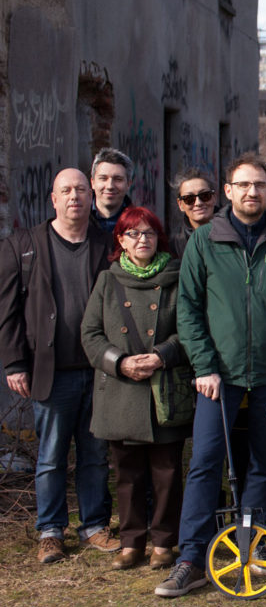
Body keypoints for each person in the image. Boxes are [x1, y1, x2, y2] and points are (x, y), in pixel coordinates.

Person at [155, 154, 266, 597]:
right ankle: (191, 558)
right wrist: (204, 365)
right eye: (243, 185)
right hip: (219, 375)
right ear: (228, 191)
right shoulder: (204, 240)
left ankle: (250, 544)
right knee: (205, 463)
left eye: (260, 185)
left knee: (263, 464)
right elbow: (188, 309)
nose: (252, 192)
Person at [0, 168, 119, 564]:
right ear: (53, 199)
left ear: (90, 196)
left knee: (95, 454)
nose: (74, 197)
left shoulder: (106, 244)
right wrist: (14, 362)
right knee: (51, 457)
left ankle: (94, 525)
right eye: (66, 190)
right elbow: (7, 311)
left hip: (99, 371)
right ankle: (50, 531)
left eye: (81, 189)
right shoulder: (24, 246)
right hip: (51, 373)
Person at [81, 207, 190, 571]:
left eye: (149, 233)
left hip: (164, 389)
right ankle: (131, 541)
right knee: (127, 473)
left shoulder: (176, 277)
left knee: (167, 472)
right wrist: (121, 362)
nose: (142, 239)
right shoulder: (107, 281)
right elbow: (90, 333)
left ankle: (164, 541)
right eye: (134, 233)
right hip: (121, 389)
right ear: (121, 241)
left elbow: (190, 329)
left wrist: (161, 356)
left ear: (159, 238)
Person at [170, 168, 217, 257]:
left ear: (214, 198)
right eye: (189, 199)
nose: (198, 203)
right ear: (180, 204)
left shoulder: (233, 232)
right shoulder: (176, 245)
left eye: (205, 196)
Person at [90, 147, 134, 233]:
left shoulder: (140, 224)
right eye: (103, 178)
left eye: (118, 179)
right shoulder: (77, 219)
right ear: (93, 183)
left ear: (128, 184)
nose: (110, 186)